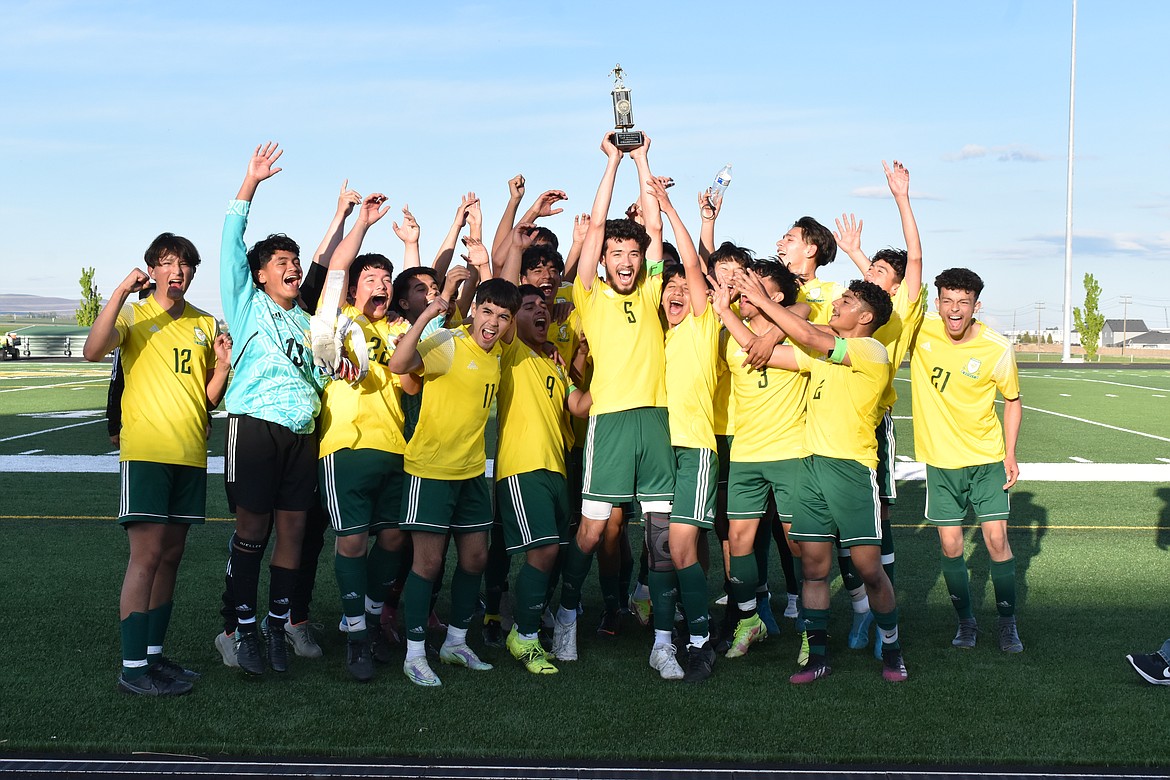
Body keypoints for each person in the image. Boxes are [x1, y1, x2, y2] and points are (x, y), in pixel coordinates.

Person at [738, 271, 908, 684]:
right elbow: (758, 348)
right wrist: (730, 311)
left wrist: (763, 299)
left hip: (851, 470)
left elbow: (809, 336)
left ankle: (893, 649)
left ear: (866, 317)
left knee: (869, 569)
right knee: (813, 570)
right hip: (812, 467)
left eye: (846, 302)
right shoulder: (824, 352)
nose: (837, 304)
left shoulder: (870, 350)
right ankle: (817, 657)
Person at [83, 232, 230, 696]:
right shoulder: (133, 313)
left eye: (185, 264)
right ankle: (132, 669)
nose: (178, 271)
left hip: (189, 455)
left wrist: (222, 368)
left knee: (170, 558)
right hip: (147, 453)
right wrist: (121, 291)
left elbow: (204, 400)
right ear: (153, 268)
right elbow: (92, 351)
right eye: (168, 262)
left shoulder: (205, 324)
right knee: (145, 558)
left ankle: (152, 656)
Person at [549, 132, 675, 673]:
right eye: (614, 254)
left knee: (661, 539)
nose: (625, 259)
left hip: (657, 421)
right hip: (611, 422)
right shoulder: (590, 295)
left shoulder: (651, 288)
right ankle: (568, 616)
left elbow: (653, 227)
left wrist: (643, 159)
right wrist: (610, 163)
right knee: (593, 529)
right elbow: (597, 225)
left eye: (632, 254)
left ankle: (665, 642)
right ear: (601, 262)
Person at [387, 244, 522, 686]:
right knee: (427, 565)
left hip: (470, 473)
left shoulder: (499, 353)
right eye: (487, 312)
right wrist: (428, 315)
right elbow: (399, 364)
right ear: (475, 309)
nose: (493, 323)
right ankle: (413, 654)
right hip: (430, 471)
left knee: (475, 558)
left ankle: (456, 642)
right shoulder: (449, 342)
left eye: (503, 317)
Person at [219, 142, 329, 676]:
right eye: (281, 262)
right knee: (253, 529)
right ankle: (239, 631)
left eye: (294, 261)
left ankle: (276, 623)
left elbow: (321, 373)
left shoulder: (307, 323)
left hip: (301, 432)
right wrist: (251, 183)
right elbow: (228, 241)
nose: (291, 268)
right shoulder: (246, 303)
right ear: (260, 274)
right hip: (255, 426)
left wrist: (338, 368)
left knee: (293, 532)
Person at [315, 192, 418, 681]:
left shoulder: (398, 330)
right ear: (354, 288)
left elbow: (412, 382)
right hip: (346, 447)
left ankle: (372, 616)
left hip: (395, 447)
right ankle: (356, 634)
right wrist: (361, 222)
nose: (379, 284)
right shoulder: (336, 321)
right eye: (369, 278)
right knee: (353, 543)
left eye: (384, 278)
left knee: (395, 538)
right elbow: (336, 269)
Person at [832, 159, 926, 651]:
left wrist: (901, 198)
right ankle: (861, 608)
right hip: (830, 419)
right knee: (835, 523)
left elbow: (910, 262)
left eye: (877, 271)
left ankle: (879, 615)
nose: (868, 274)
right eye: (867, 270)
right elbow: (872, 286)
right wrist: (856, 254)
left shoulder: (902, 310)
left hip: (872, 423)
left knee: (877, 520)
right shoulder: (856, 309)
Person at [910, 267, 1023, 653]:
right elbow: (882, 303)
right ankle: (966, 622)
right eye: (947, 301)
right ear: (937, 302)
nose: (954, 310)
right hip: (941, 462)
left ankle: (1007, 624)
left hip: (986, 458)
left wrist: (1009, 453)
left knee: (995, 540)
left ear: (976, 305)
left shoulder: (997, 347)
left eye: (963, 302)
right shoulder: (919, 330)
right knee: (952, 547)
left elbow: (1012, 401)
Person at [709, 260, 808, 663]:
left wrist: (763, 323)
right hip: (746, 453)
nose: (744, 292)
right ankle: (750, 620)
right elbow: (751, 342)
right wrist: (728, 309)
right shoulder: (732, 334)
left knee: (801, 545)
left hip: (790, 453)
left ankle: (810, 626)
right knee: (740, 543)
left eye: (754, 286)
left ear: (778, 297)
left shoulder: (803, 332)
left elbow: (794, 316)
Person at [646, 177, 720, 681]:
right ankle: (664, 640)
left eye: (682, 289)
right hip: (656, 452)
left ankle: (699, 639)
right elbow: (653, 267)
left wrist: (670, 207)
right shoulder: (654, 333)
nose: (676, 292)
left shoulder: (702, 323)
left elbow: (694, 266)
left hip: (694, 449)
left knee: (683, 548)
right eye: (668, 288)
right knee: (659, 551)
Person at [495, 284, 589, 674]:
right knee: (544, 551)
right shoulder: (512, 352)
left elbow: (579, 407)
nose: (540, 311)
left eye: (544, 307)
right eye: (529, 306)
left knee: (557, 553)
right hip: (522, 466)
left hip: (556, 467)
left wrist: (616, 370)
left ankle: (530, 627)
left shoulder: (554, 362)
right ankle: (525, 635)